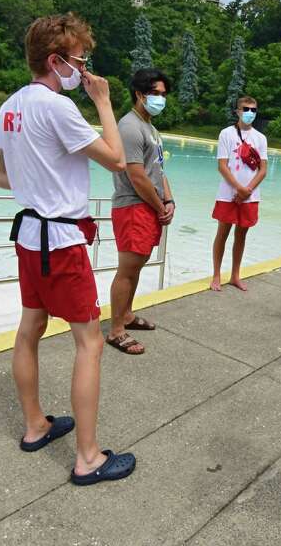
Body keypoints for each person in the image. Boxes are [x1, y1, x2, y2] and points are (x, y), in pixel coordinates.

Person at [0, 13, 136, 486]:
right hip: (63, 243)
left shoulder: (12, 106)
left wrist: (34, 184)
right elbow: (117, 158)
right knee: (89, 343)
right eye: (79, 60)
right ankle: (88, 457)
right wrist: (104, 101)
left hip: (29, 237)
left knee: (30, 327)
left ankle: (35, 426)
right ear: (56, 60)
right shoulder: (57, 107)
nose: (83, 69)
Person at [107, 68, 175, 356]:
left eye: (163, 94)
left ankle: (127, 315)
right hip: (134, 206)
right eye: (155, 93)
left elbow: (158, 171)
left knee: (137, 266)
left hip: (149, 207)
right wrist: (160, 206)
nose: (160, 99)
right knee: (127, 269)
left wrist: (169, 201)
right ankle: (115, 330)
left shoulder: (151, 129)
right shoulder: (130, 127)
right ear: (139, 94)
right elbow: (136, 176)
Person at [210, 96, 268, 292]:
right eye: (246, 109)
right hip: (228, 194)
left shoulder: (261, 138)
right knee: (222, 233)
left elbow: (263, 169)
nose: (250, 112)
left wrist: (247, 191)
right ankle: (216, 275)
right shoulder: (226, 134)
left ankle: (235, 275)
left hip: (250, 197)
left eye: (253, 109)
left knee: (241, 235)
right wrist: (238, 189)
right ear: (237, 111)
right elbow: (222, 166)